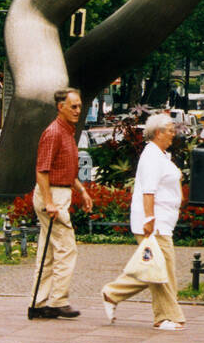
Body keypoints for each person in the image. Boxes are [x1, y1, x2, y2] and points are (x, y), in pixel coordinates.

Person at [102, 113, 186, 329]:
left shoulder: (160, 155)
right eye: (169, 129)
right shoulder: (151, 157)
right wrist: (149, 219)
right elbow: (148, 191)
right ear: (157, 133)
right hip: (154, 223)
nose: (173, 133)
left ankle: (112, 293)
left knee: (157, 268)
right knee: (162, 270)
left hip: (162, 222)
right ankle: (166, 317)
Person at [30, 88, 92, 319]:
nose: (78, 110)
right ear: (60, 107)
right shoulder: (54, 132)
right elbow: (42, 171)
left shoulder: (66, 132)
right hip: (53, 196)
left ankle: (39, 302)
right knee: (66, 248)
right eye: (73, 106)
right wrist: (49, 203)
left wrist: (82, 191)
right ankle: (57, 301)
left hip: (58, 193)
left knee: (48, 254)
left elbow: (64, 170)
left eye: (79, 106)